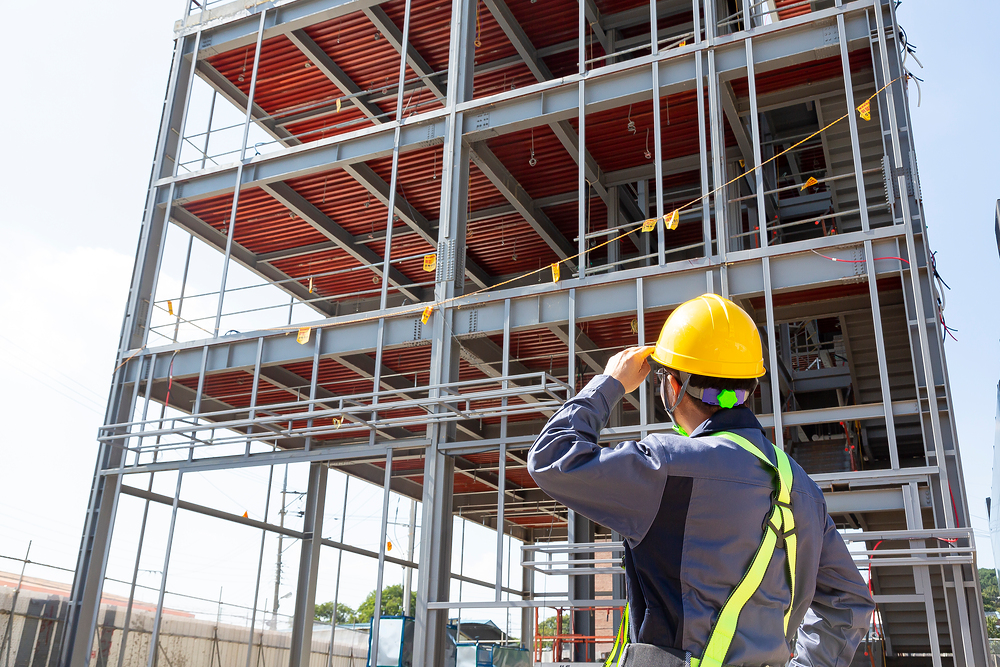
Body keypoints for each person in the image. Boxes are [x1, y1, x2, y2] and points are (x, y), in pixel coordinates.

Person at [528, 294, 874, 667]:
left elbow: (551, 457)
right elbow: (849, 601)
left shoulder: (667, 466)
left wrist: (610, 383)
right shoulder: (801, 488)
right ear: (749, 386)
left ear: (673, 387)